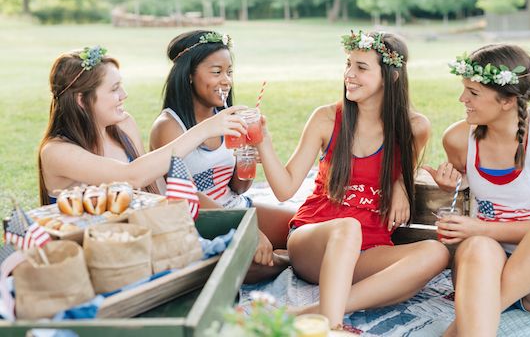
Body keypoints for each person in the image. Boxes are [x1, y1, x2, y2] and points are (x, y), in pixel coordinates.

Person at [255, 30, 450, 329]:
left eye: (361, 67)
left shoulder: (414, 127)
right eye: (348, 64)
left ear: (390, 76)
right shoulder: (326, 118)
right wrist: (263, 141)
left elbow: (404, 167)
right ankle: (331, 324)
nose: (349, 74)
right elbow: (285, 189)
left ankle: (315, 310)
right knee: (348, 228)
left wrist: (399, 184)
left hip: (368, 249)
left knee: (435, 253)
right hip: (315, 239)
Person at [423, 44, 530, 336]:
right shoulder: (459, 138)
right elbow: (467, 190)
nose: (463, 99)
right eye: (465, 89)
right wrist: (455, 185)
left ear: (508, 101)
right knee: (478, 245)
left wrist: (483, 228)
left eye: (473, 93)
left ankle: (461, 327)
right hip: (481, 268)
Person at [149, 30, 294, 280]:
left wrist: (247, 156)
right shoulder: (169, 127)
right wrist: (245, 228)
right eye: (216, 72)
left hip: (235, 206)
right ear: (189, 76)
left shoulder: (228, 118)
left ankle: (289, 256)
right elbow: (187, 194)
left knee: (301, 226)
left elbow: (238, 188)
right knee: (248, 262)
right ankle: (288, 259)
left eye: (229, 72)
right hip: (201, 223)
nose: (226, 80)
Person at [39, 46, 246, 205]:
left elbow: (151, 186)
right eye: (114, 89)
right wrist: (205, 130)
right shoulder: (56, 152)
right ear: (81, 100)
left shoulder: (124, 125)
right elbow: (132, 176)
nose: (124, 95)